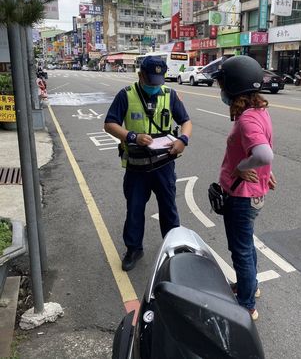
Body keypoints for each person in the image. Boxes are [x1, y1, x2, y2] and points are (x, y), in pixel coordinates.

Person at [104, 56, 192, 271]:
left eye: (158, 81)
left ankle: (172, 248)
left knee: (169, 208)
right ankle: (134, 248)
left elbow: (186, 122)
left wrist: (183, 139)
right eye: (151, 81)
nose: (155, 86)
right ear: (140, 75)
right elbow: (109, 124)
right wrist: (132, 136)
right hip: (137, 167)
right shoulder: (126, 95)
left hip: (164, 165)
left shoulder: (169, 95)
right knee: (134, 209)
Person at [212, 55, 276, 321]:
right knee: (246, 244)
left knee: (240, 250)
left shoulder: (248, 118)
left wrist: (242, 167)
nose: (221, 91)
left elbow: (263, 153)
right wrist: (265, 173)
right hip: (252, 193)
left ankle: (246, 305)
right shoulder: (260, 111)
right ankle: (250, 287)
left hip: (240, 196)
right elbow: (264, 150)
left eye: (222, 85)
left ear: (232, 87)